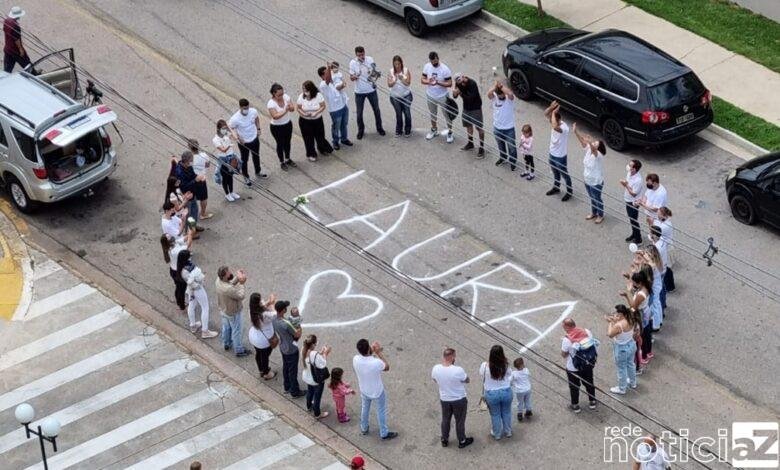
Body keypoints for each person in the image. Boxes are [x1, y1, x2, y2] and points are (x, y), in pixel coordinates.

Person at [352, 338, 398, 440]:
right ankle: (384, 432)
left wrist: (371, 350)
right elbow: (387, 367)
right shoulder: (376, 362)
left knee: (365, 408)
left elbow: (365, 357)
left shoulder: (355, 359)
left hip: (364, 389)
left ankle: (364, 427)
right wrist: (378, 352)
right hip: (377, 391)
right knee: (381, 411)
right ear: (368, 348)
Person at [431, 347, 473, 449]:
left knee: (445, 419)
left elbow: (434, 379)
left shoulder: (436, 368)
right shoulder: (458, 370)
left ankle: (444, 439)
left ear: (444, 356)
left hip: (445, 399)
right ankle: (462, 440)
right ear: (452, 357)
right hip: (459, 399)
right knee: (459, 421)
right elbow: (467, 380)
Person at [177, 250, 218, 339]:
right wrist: (200, 280)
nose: (190, 257)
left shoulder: (181, 268)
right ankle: (205, 331)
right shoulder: (186, 270)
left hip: (190, 290)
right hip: (197, 289)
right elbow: (194, 280)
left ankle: (193, 325)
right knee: (205, 308)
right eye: (189, 256)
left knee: (191, 305)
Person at [561, 318, 597, 412]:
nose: (563, 327)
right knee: (589, 383)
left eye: (564, 326)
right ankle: (592, 401)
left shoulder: (567, 339)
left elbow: (564, 354)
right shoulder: (586, 331)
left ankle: (575, 405)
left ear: (567, 327)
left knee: (574, 387)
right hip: (587, 364)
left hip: (573, 367)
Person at [573, 122, 606, 223]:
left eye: (596, 144)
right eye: (594, 143)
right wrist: (576, 132)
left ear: (598, 147)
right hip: (587, 179)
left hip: (596, 181)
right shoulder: (589, 150)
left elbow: (593, 149)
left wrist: (591, 142)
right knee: (592, 198)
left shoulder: (598, 155)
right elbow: (583, 142)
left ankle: (600, 215)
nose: (594, 144)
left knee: (597, 198)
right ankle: (594, 212)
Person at [349, 46, 385, 139]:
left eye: (362, 54)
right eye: (359, 55)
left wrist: (374, 73)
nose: (362, 56)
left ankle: (379, 128)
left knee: (376, 110)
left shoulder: (369, 59)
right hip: (359, 92)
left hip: (371, 90)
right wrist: (356, 76)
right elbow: (351, 78)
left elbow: (374, 70)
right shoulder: (353, 63)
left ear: (364, 52)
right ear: (356, 55)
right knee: (359, 113)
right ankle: (361, 130)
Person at [229, 98, 266, 185]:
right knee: (244, 160)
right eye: (244, 108)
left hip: (254, 138)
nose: (246, 110)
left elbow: (257, 119)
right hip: (244, 142)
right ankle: (246, 177)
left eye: (247, 108)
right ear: (240, 107)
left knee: (256, 156)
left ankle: (258, 171)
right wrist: (238, 137)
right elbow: (231, 128)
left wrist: (258, 128)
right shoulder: (235, 118)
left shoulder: (253, 111)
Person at [479, 345, 513, 439]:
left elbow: (481, 374)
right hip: (506, 392)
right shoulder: (506, 365)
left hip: (491, 394)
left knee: (495, 414)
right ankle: (508, 431)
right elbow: (510, 375)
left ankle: (497, 434)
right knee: (506, 412)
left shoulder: (485, 366)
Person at [273, 300, 305, 397]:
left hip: (283, 346)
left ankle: (287, 386)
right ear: (283, 310)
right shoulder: (286, 323)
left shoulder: (274, 319)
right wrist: (299, 325)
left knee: (286, 367)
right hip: (291, 348)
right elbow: (297, 334)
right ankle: (294, 391)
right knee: (292, 371)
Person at [215, 266, 249, 357]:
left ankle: (226, 343)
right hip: (233, 312)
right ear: (224, 276)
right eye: (228, 273)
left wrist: (237, 278)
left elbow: (229, 284)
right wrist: (242, 283)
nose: (230, 273)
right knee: (237, 331)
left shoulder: (218, 281)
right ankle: (239, 350)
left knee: (226, 328)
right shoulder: (228, 289)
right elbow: (240, 295)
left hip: (223, 309)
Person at [621, 271, 653, 367]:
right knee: (647, 332)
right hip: (646, 311)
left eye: (635, 283)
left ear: (640, 283)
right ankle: (648, 352)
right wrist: (629, 278)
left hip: (640, 314)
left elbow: (633, 308)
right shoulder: (646, 287)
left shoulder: (640, 295)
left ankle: (643, 356)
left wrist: (626, 296)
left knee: (641, 335)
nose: (633, 284)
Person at [297, 80, 333, 162]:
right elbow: (298, 108)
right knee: (308, 139)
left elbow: (323, 106)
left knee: (320, 136)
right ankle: (311, 154)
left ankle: (322, 149)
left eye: (306, 90)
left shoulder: (318, 96)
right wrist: (304, 114)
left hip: (317, 120)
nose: (305, 92)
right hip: (305, 121)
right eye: (303, 90)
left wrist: (316, 112)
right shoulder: (301, 97)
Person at [421, 51, 454, 143]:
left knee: (447, 115)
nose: (434, 63)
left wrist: (438, 82)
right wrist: (429, 81)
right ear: (430, 61)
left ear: (438, 58)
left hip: (443, 96)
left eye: (436, 61)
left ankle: (450, 132)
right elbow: (422, 80)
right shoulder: (427, 66)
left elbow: (450, 83)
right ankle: (434, 130)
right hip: (430, 95)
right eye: (432, 62)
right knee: (433, 114)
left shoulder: (445, 69)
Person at [606, 304, 638, 395]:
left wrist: (611, 323)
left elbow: (610, 334)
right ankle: (633, 382)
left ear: (620, 314)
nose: (615, 315)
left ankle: (622, 388)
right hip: (631, 344)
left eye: (616, 313)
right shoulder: (631, 318)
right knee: (631, 364)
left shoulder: (618, 325)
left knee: (621, 368)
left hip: (621, 348)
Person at [544, 101, 573, 200]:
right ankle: (556, 188)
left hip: (560, 157)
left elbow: (555, 127)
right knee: (555, 172)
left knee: (565, 174)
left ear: (559, 119)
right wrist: (551, 108)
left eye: (553, 120)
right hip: (552, 154)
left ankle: (569, 191)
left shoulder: (564, 128)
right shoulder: (554, 121)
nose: (551, 122)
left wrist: (552, 114)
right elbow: (545, 113)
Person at [319, 64, 352, 148]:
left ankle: (344, 139)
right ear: (322, 76)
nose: (329, 73)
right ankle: (335, 141)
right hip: (335, 110)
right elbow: (327, 80)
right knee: (336, 127)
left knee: (344, 124)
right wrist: (329, 68)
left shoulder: (332, 81)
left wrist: (342, 84)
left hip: (343, 106)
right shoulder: (323, 85)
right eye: (327, 72)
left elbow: (338, 88)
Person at [487, 80, 517, 170]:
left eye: (502, 95)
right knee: (500, 145)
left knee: (511, 148)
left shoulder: (509, 99)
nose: (501, 97)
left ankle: (513, 162)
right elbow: (489, 93)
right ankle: (503, 158)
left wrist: (501, 87)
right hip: (497, 128)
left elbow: (511, 94)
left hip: (509, 129)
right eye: (499, 95)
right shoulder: (494, 98)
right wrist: (495, 86)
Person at [160, 232, 192, 316]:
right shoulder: (175, 251)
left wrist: (189, 233)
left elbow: (182, 239)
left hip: (173, 270)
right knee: (181, 289)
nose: (171, 236)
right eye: (169, 237)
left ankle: (180, 303)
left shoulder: (171, 245)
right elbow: (188, 245)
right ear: (168, 241)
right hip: (178, 272)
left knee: (178, 288)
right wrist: (191, 235)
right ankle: (182, 306)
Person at [452, 73, 484, 157]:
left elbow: (470, 99)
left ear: (463, 77)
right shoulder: (458, 83)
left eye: (460, 80)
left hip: (475, 108)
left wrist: (460, 93)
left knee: (479, 128)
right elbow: (455, 96)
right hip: (466, 108)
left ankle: (481, 147)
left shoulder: (472, 83)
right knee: (468, 125)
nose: (460, 83)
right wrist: (455, 93)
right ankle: (470, 143)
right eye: (457, 81)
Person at [248, 292, 278, 380]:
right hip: (264, 340)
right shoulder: (264, 315)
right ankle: (266, 373)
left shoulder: (251, 311)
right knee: (265, 356)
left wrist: (268, 302)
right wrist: (273, 304)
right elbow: (275, 314)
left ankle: (261, 370)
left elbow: (261, 307)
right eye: (261, 300)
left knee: (258, 354)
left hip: (254, 337)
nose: (262, 301)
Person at [267, 83, 296, 170]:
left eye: (282, 94)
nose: (281, 96)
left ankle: (287, 158)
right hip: (277, 127)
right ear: (273, 94)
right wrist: (285, 110)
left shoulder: (286, 97)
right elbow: (275, 116)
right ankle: (282, 161)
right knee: (280, 144)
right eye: (279, 95)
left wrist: (290, 107)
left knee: (287, 142)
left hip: (287, 124)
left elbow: (292, 108)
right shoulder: (271, 103)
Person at [301, 334, 331, 419]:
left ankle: (309, 406)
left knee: (310, 392)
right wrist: (325, 353)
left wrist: (320, 353)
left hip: (308, 377)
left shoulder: (303, 349)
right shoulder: (314, 354)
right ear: (313, 344)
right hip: (315, 379)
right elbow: (323, 364)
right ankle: (317, 413)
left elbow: (314, 360)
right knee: (317, 396)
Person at [174, 151, 205, 232]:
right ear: (187, 161)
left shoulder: (189, 167)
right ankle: (189, 232)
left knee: (195, 211)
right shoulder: (179, 172)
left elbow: (192, 175)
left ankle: (193, 226)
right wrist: (195, 180)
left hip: (192, 193)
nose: (192, 162)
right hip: (185, 197)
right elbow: (183, 187)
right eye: (191, 160)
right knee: (188, 214)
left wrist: (198, 178)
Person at [212, 119, 241, 201]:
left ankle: (232, 192)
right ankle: (227, 194)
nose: (225, 130)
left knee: (230, 176)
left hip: (231, 157)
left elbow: (235, 137)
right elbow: (223, 149)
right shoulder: (215, 139)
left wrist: (229, 129)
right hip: (223, 159)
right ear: (218, 129)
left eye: (226, 128)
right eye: (223, 128)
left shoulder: (226, 134)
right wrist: (230, 145)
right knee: (225, 177)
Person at [387, 55, 413, 137]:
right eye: (395, 64)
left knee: (407, 113)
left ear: (401, 63)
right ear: (393, 64)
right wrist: (394, 80)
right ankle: (399, 130)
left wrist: (402, 79)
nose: (397, 66)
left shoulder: (406, 70)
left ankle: (408, 129)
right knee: (398, 113)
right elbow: (389, 85)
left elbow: (408, 83)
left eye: (399, 64)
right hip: (395, 96)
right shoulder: (391, 71)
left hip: (406, 95)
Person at [187, 139, 213, 220]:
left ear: (189, 147)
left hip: (192, 180)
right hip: (201, 179)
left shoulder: (188, 158)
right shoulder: (204, 155)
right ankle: (202, 214)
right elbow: (207, 165)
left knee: (190, 198)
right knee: (203, 198)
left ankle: (189, 214)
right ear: (198, 145)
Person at [621, 159, 645, 244]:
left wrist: (626, 185)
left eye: (630, 166)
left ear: (634, 169)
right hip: (628, 199)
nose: (628, 166)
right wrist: (626, 183)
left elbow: (634, 194)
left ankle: (638, 239)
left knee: (634, 220)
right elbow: (629, 184)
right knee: (632, 219)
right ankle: (634, 234)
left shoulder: (638, 180)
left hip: (633, 202)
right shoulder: (629, 173)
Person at [643, 244, 665, 331]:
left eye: (647, 253)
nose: (645, 255)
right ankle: (659, 321)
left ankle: (656, 325)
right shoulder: (657, 261)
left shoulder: (652, 265)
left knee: (654, 305)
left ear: (651, 255)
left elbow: (648, 276)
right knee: (657, 303)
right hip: (657, 285)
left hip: (654, 287)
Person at [3, 7, 30, 73]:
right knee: (26, 62)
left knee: (7, 69)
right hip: (15, 50)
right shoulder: (15, 26)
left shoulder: (6, 21)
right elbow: (16, 39)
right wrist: (21, 49)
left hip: (8, 48)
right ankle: (35, 74)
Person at [656, 206, 675, 301]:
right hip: (667, 246)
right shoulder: (665, 221)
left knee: (667, 268)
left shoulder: (664, 226)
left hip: (667, 248)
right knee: (668, 268)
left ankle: (670, 286)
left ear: (663, 216)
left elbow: (655, 232)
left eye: (659, 214)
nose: (657, 216)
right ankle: (670, 285)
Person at [510, 357, 532, 422]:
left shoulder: (514, 373)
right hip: (528, 389)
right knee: (527, 400)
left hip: (519, 391)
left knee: (520, 402)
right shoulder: (526, 370)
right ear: (522, 364)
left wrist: (512, 384)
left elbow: (510, 380)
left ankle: (520, 413)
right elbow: (529, 375)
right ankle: (528, 411)